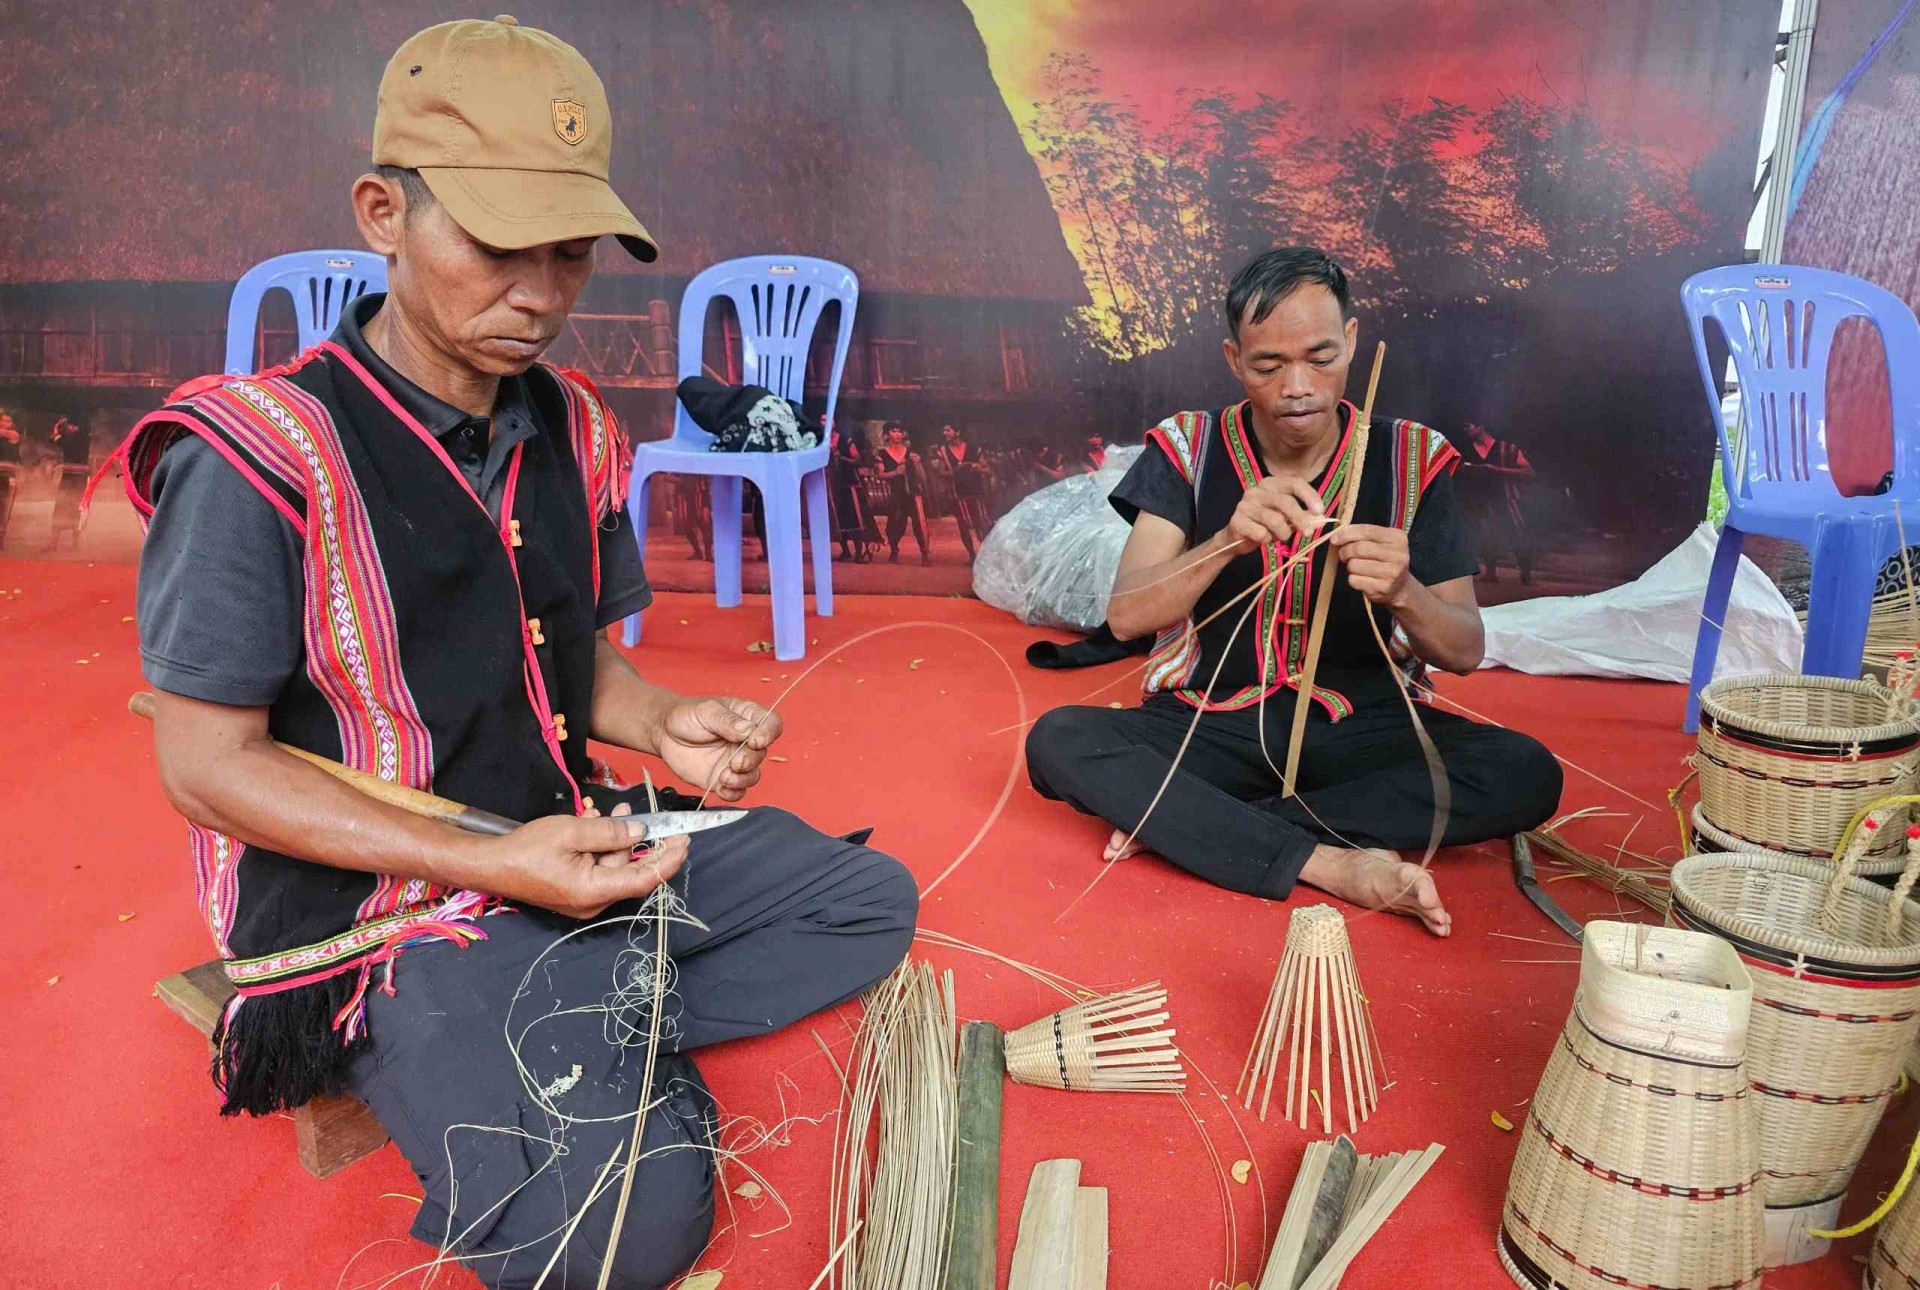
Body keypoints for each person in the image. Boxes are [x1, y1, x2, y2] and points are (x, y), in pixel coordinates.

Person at [110, 19, 916, 1290]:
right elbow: (207, 767)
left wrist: (663, 724)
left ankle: (576, 1009)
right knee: (617, 1241)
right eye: (495, 247)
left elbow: (582, 671)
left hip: (566, 838)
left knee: (866, 900)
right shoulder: (261, 452)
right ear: (383, 212)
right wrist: (490, 860)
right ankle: (558, 1017)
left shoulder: (574, 423)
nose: (539, 294)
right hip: (390, 906)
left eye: (571, 252)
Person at [1024, 248, 1561, 936]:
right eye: (1268, 365)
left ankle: (1199, 826)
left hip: (1364, 729)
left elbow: (1463, 649)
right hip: (1211, 724)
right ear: (1232, 358)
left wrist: (1404, 591)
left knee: (1526, 771)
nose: (1298, 386)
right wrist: (1225, 540)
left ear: (1355, 342)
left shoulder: (1413, 460)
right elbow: (1128, 617)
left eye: (1321, 356)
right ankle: (1330, 863)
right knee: (1060, 740)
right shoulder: (1191, 447)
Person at [1458, 421, 1535, 584]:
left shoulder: (1506, 449)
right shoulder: (1467, 450)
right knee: (1487, 536)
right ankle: (1491, 573)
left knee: (1518, 535)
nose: (1466, 430)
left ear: (1480, 426)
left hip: (1507, 499)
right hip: (1482, 500)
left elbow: (1528, 471)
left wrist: (1498, 470)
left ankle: (1526, 574)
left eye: (1468, 426)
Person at [932, 423, 992, 558]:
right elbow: (940, 472)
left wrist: (978, 469)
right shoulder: (943, 450)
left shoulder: (973, 448)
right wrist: (955, 472)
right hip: (957, 493)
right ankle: (972, 555)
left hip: (976, 491)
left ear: (957, 432)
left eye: (948, 430)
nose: (945, 433)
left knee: (980, 523)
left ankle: (986, 555)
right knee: (963, 525)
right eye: (944, 430)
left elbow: (988, 470)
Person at [875, 420, 931, 565]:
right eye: (893, 431)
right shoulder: (882, 454)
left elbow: (922, 476)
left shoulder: (911, 453)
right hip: (897, 493)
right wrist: (895, 472)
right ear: (887, 434)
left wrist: (918, 463)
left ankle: (925, 554)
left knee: (920, 524)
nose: (897, 434)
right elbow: (880, 475)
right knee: (895, 524)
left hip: (913, 493)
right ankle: (894, 549)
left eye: (900, 431)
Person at [45, 413, 91, 551]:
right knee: (62, 508)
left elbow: (64, 444)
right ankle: (56, 543)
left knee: (74, 508)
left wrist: (57, 432)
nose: (69, 428)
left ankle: (72, 544)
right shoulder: (78, 436)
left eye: (70, 425)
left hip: (78, 477)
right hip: (70, 476)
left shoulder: (81, 436)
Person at [830, 429, 875, 562]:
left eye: (827, 419)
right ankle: (845, 551)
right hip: (833, 485)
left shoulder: (846, 441)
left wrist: (841, 457)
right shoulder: (821, 441)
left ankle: (859, 552)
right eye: (821, 420)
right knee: (837, 519)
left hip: (849, 485)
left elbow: (857, 460)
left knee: (855, 518)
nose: (824, 423)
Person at [0, 408, 19, 548]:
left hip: (7, 476)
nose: (6, 423)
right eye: (3, 420)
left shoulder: (14, 435)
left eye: (9, 421)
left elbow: (4, 433)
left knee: (4, 508)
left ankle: (0, 539)